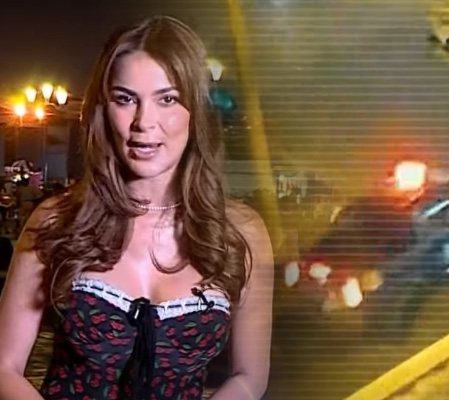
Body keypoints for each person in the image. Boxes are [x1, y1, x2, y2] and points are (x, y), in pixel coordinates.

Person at [0, 15, 273, 400]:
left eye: (167, 99)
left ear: (195, 110)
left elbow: (249, 377)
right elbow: (4, 367)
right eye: (126, 99)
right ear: (103, 108)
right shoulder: (55, 221)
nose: (144, 122)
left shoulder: (242, 233)